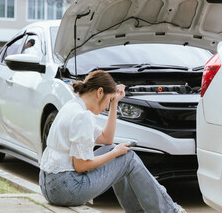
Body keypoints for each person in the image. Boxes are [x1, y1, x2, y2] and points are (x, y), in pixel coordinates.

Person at [39, 70, 186, 213]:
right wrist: (114, 154)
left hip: (50, 185)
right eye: (109, 100)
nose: (107, 107)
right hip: (66, 189)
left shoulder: (72, 105)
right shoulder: (82, 116)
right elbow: (81, 165)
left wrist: (115, 103)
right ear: (99, 92)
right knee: (127, 157)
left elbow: (107, 139)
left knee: (115, 150)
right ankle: (169, 211)